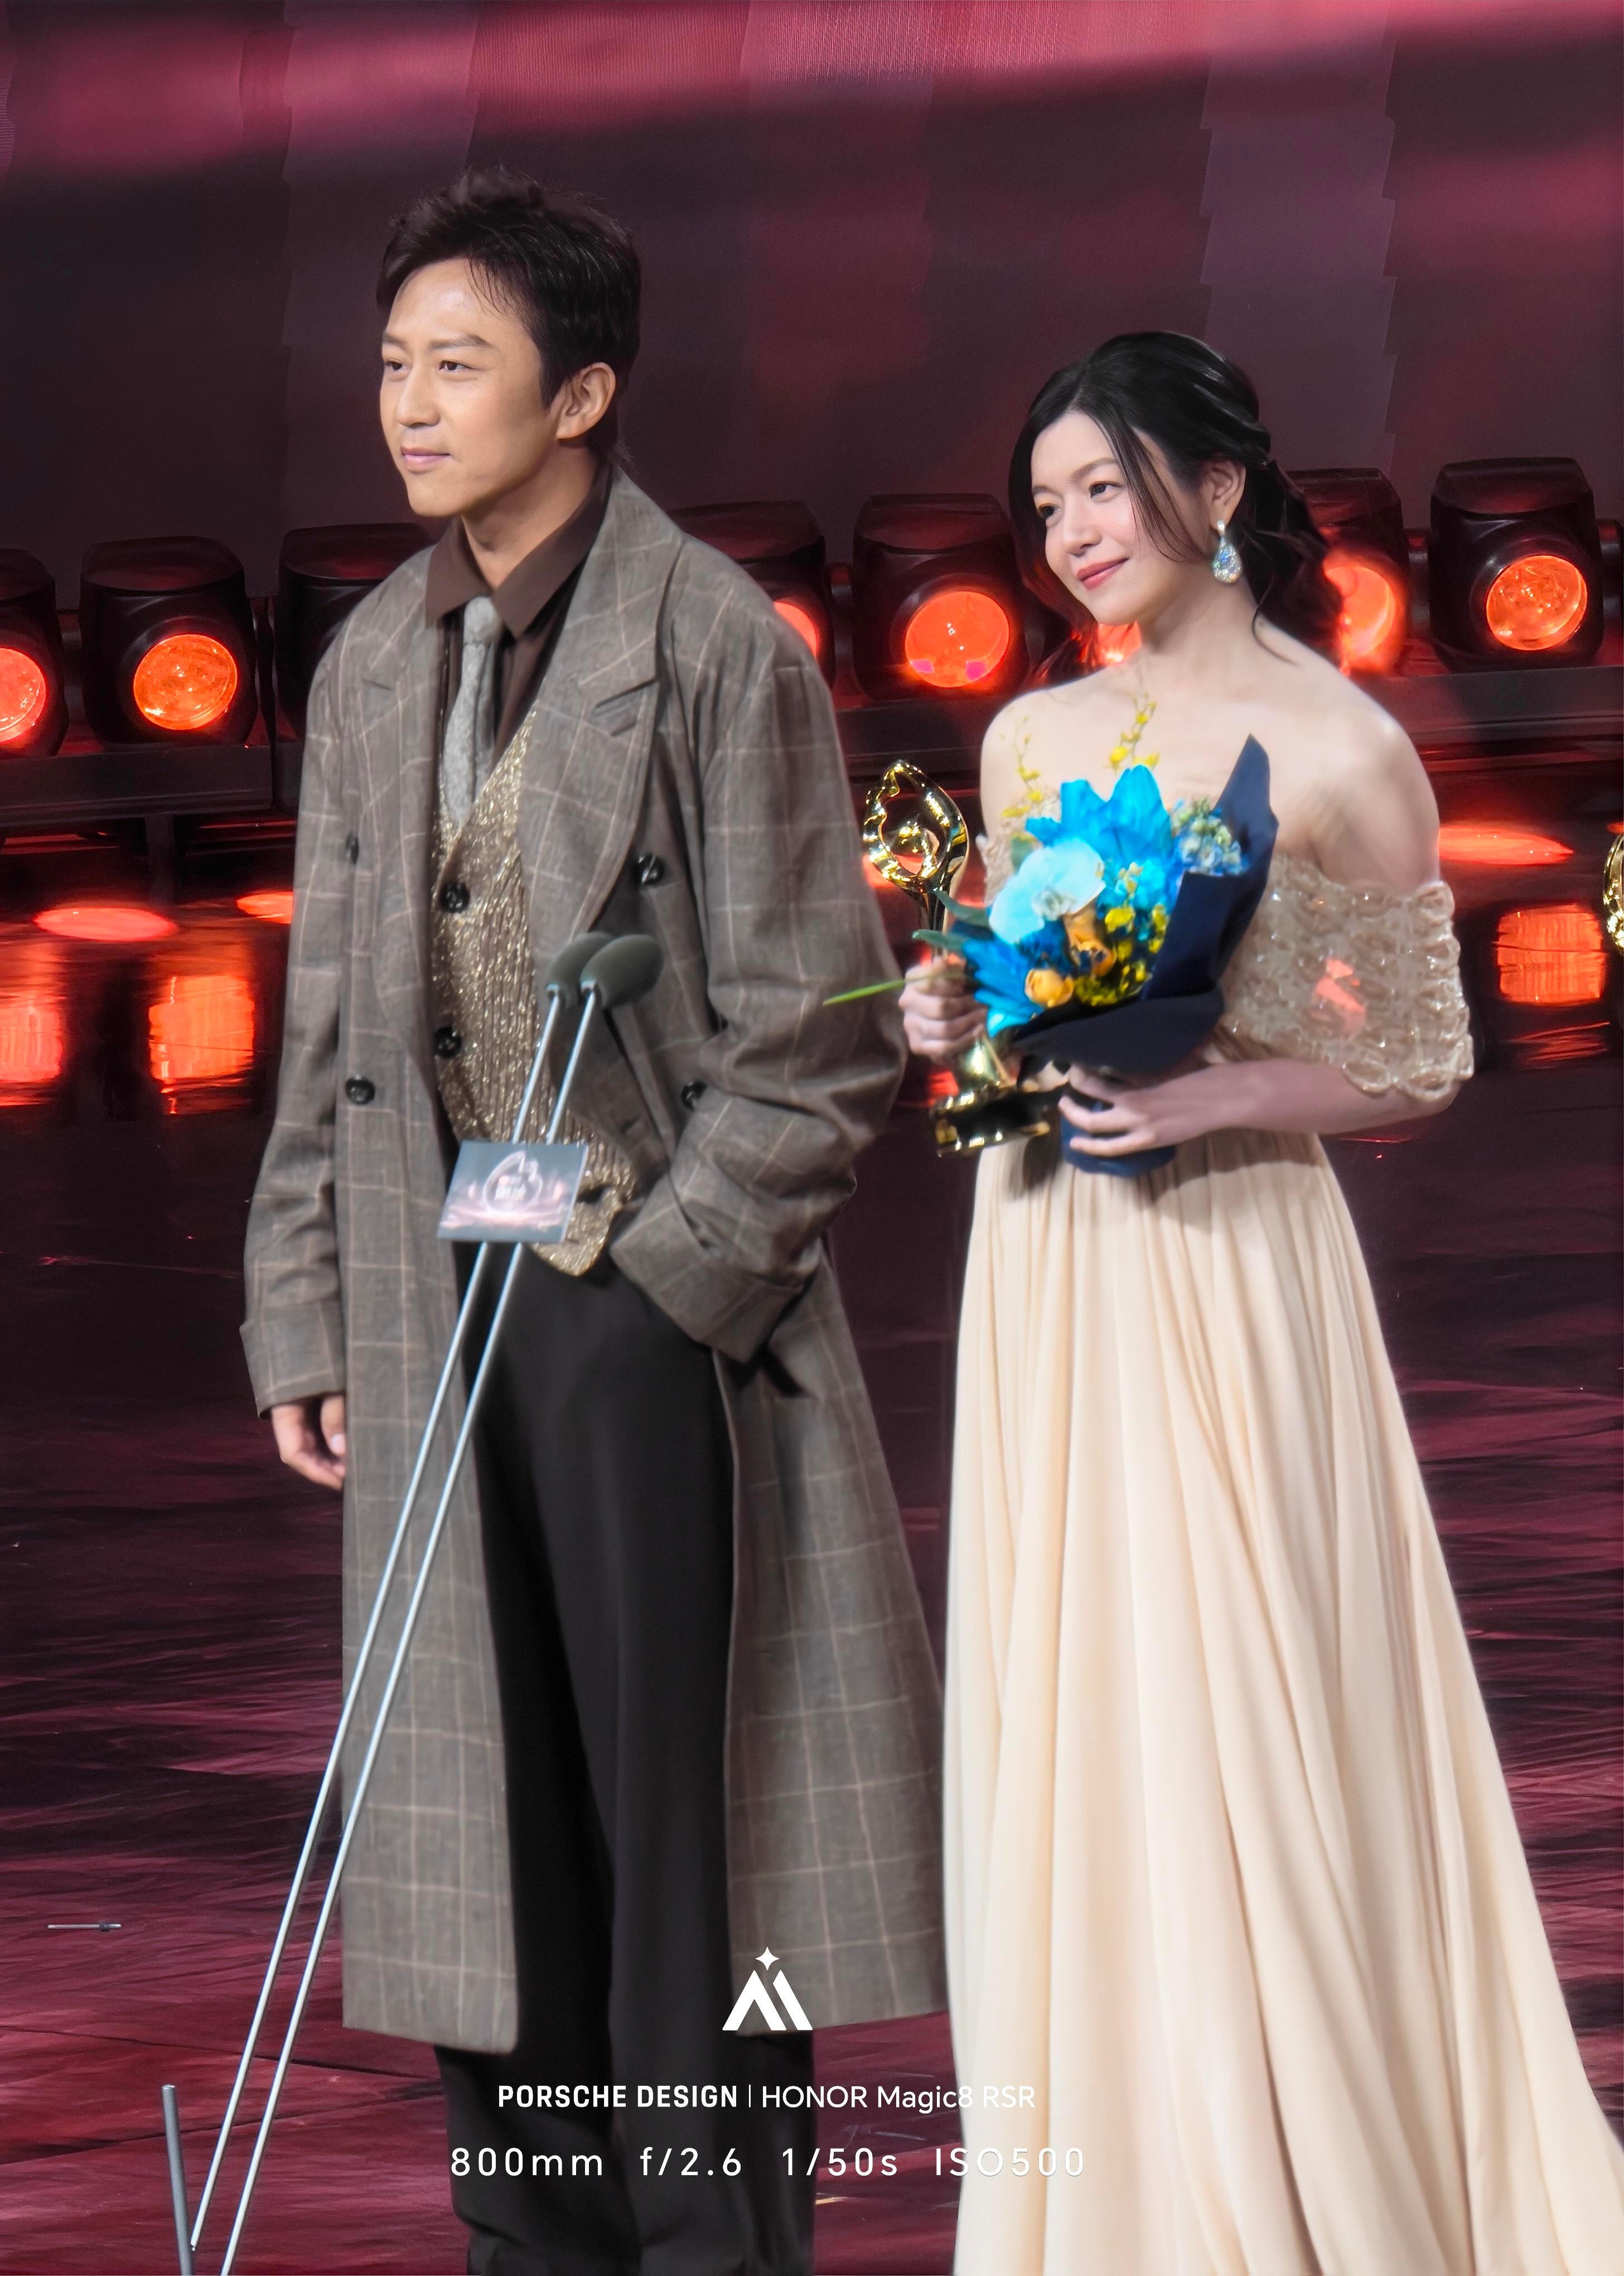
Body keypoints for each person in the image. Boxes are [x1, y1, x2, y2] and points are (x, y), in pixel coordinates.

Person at [242, 165, 944, 2276]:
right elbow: (329, 1033)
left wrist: (669, 1287)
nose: (409, 403)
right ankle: (534, 2237)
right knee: (487, 1806)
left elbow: (819, 1028)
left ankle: (714, 2242)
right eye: (394, 362)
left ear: (584, 392)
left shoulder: (712, 644)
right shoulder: (377, 658)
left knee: (683, 1825)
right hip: (435, 1274)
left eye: (459, 364)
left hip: (643, 1305)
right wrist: (308, 1311)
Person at [902, 331, 1624, 2274]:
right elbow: (1018, 995)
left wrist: (1214, 1096)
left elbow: (1421, 1058)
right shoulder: (1030, 739)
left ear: (1215, 491)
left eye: (1106, 488)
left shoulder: (1342, 749)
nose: (1074, 533)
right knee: (1084, 1701)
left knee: (1248, 1683)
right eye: (1048, 503)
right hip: (1051, 1254)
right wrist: (953, 1013)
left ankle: (1299, 2168)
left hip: (1232, 1260)